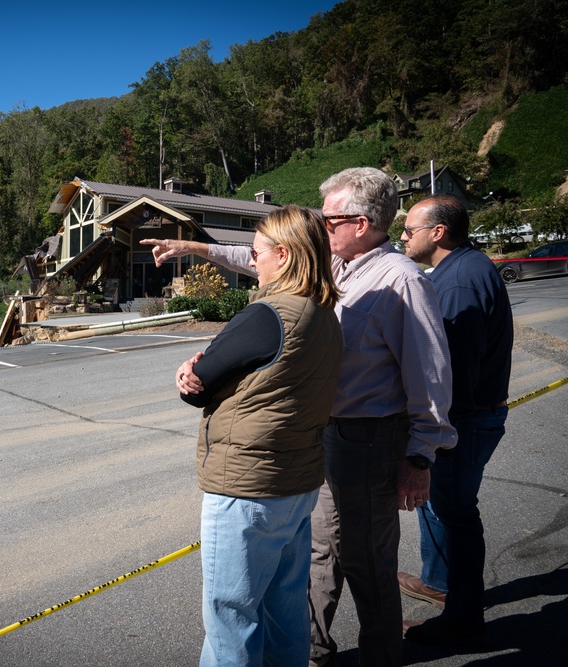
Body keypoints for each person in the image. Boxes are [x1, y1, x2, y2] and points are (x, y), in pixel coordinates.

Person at [146, 167, 457, 666]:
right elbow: (265, 259)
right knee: (314, 557)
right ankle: (310, 652)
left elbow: (430, 376)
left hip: (369, 438)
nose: (321, 228)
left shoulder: (401, 281)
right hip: (319, 437)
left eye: (328, 220)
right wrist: (195, 249)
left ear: (362, 222)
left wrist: (421, 455)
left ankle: (381, 656)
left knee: (368, 561)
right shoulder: (336, 268)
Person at [174, 205, 343, 667]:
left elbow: (199, 386)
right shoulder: (323, 313)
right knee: (284, 607)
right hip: (297, 481)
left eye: (256, 253)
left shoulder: (268, 314)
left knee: (230, 615)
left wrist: (188, 372)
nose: (253, 262)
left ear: (284, 255)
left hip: (246, 489)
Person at [397, 194, 513, 645]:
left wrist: (432, 437)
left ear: (437, 232)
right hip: (468, 416)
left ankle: (463, 618)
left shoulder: (459, 283)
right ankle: (439, 583)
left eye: (409, 230)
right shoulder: (459, 269)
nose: (403, 237)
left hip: (463, 420)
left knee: (456, 514)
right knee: (438, 507)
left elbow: (454, 371)